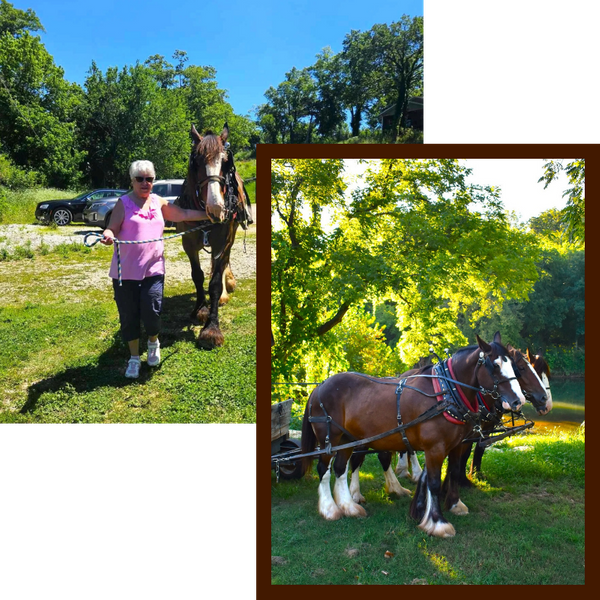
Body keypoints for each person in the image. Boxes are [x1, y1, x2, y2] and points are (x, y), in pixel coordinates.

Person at [100, 160, 209, 378]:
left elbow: (184, 215)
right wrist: (109, 235)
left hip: (154, 269)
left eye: (149, 179)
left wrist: (210, 214)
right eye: (139, 179)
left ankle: (152, 343)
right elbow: (111, 228)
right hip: (125, 273)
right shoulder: (123, 203)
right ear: (132, 181)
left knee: (152, 311)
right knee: (129, 316)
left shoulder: (158, 202)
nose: (144, 183)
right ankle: (133, 358)